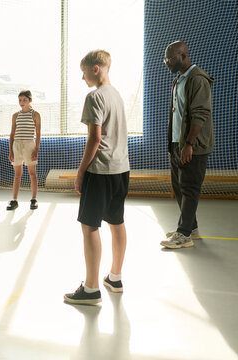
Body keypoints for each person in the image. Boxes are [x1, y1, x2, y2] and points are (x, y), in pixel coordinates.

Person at [64, 50, 130, 305]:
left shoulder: (95, 96)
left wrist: (81, 172)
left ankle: (91, 289)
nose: (82, 78)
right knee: (116, 221)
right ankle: (115, 277)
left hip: (100, 171)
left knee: (89, 225)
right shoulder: (117, 95)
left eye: (84, 72)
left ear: (96, 69)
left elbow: (95, 138)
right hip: (121, 169)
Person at [160, 41, 214, 249]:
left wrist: (189, 144)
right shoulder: (178, 81)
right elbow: (176, 116)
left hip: (193, 145)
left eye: (170, 58)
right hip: (177, 144)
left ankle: (184, 235)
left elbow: (200, 114)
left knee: (190, 188)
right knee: (178, 187)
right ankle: (191, 227)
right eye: (165, 58)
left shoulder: (197, 79)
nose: (166, 62)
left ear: (183, 56)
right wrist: (173, 146)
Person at [7, 90, 41, 211]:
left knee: (32, 174)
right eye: (20, 100)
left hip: (29, 145)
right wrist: (10, 150)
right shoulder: (16, 115)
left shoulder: (35, 114)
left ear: (30, 100)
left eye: (24, 100)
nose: (22, 102)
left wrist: (36, 149)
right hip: (17, 145)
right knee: (17, 175)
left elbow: (38, 133)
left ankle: (33, 199)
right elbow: (12, 133)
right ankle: (15, 200)